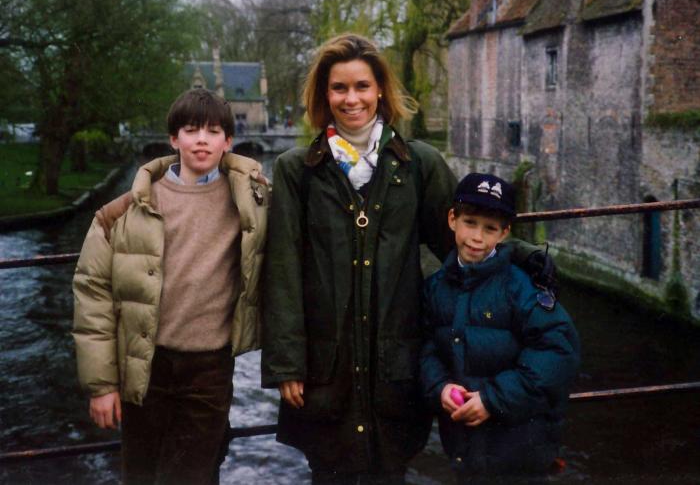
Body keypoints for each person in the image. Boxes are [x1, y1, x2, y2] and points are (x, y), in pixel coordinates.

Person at [261, 33, 557, 484]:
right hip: (327, 361)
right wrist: (286, 364)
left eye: (362, 86)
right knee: (328, 467)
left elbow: (458, 239)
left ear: (380, 90)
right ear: (325, 94)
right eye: (339, 88)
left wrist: (526, 257)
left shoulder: (417, 163)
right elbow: (282, 269)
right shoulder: (296, 169)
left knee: (390, 466)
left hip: (395, 356)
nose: (351, 98)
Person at [72, 88, 268, 485]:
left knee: (193, 475)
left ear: (228, 142)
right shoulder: (125, 211)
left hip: (210, 369)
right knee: (141, 474)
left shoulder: (254, 202)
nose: (201, 139)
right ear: (173, 138)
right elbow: (93, 294)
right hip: (145, 365)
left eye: (213, 131)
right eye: (190, 130)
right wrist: (102, 385)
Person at [420, 173, 580, 482]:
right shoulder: (436, 287)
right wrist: (440, 387)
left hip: (519, 442)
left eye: (490, 228)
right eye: (470, 223)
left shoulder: (518, 287)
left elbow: (559, 349)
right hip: (465, 441)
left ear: (504, 233)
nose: (477, 238)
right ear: (452, 219)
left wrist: (493, 400)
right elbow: (428, 348)